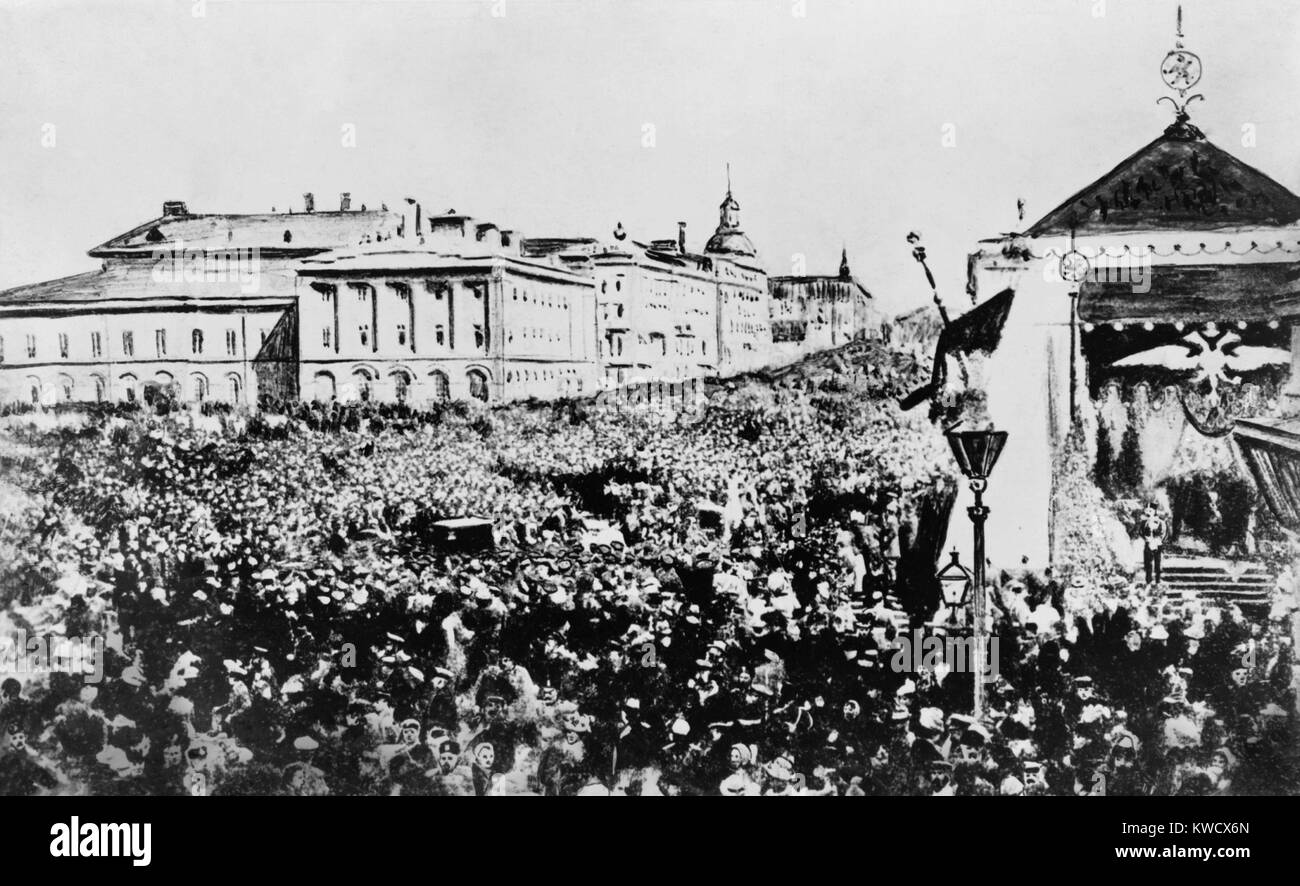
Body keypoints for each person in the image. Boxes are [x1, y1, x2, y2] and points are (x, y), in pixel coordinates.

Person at [1140, 504, 1167, 585]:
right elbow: (1141, 532)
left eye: (1150, 511)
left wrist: (1159, 540)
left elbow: (1165, 533)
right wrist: (1146, 538)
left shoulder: (1161, 522)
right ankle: (1148, 581)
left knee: (1157, 563)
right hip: (1148, 543)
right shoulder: (1144, 522)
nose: (1148, 513)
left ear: (1155, 511)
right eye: (1147, 511)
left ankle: (1158, 581)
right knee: (1148, 563)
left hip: (1157, 544)